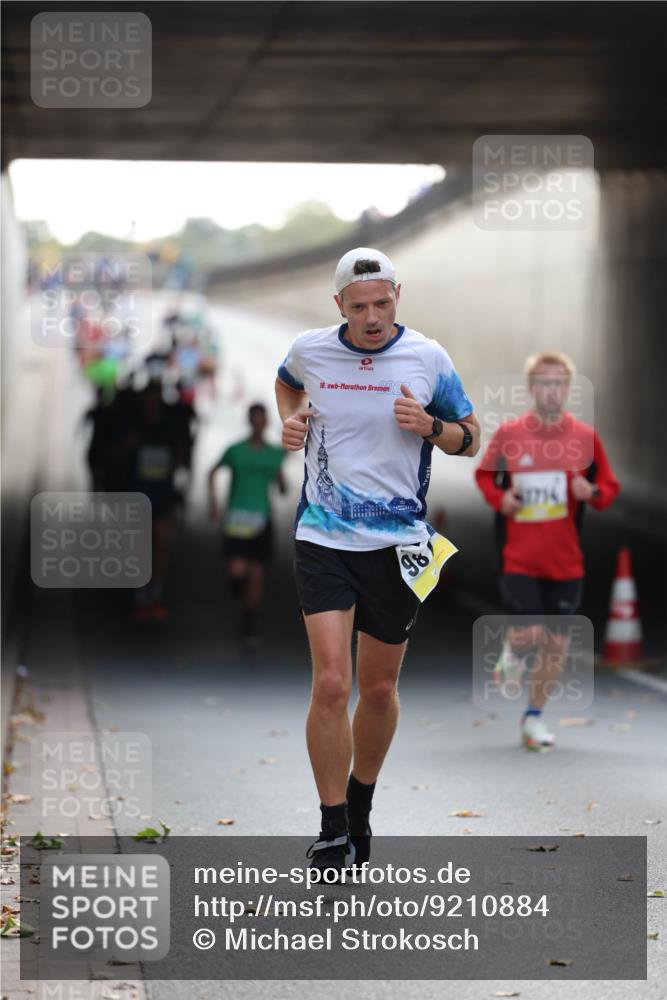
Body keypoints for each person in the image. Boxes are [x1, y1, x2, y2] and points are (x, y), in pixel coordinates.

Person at [275, 247, 480, 879]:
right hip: (323, 536)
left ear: (397, 296)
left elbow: (472, 438)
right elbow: (286, 382)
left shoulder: (427, 357)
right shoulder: (311, 350)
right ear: (339, 305)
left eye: (382, 303)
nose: (371, 317)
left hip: (398, 544)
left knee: (380, 687)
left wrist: (430, 427)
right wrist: (291, 420)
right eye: (359, 306)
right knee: (332, 683)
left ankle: (360, 800)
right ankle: (331, 826)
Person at [475, 351, 620, 751]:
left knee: (556, 643)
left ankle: (533, 718)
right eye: (544, 382)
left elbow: (609, 488)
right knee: (531, 631)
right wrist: (502, 499)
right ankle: (513, 651)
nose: (551, 390)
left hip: (566, 560)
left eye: (559, 383)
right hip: (519, 556)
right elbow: (485, 475)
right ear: (531, 387)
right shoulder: (510, 434)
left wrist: (592, 491)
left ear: (568, 388)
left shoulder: (585, 438)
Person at [208, 404, 286, 646]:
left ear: (266, 422)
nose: (259, 424)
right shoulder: (236, 450)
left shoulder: (274, 453)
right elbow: (212, 472)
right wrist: (213, 503)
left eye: (262, 419)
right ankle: (237, 586)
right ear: (250, 421)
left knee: (257, 571)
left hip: (262, 517)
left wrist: (282, 483)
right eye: (255, 419)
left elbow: (281, 482)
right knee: (238, 569)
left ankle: (249, 618)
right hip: (237, 517)